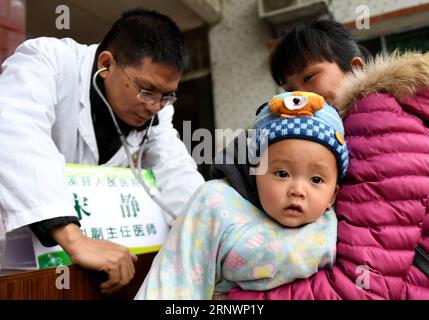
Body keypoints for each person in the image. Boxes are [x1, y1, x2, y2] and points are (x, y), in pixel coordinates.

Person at [0, 8, 204, 293]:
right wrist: (75, 239)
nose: (155, 106)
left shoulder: (156, 112)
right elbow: (14, 128)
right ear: (106, 64)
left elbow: (176, 170)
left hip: (90, 270)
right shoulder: (49, 60)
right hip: (15, 260)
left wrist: (211, 232)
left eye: (167, 95)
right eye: (146, 91)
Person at [228, 19, 429, 299]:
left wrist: (236, 299)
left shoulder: (375, 118)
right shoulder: (350, 129)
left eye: (310, 77)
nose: (300, 94)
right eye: (289, 88)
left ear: (356, 69)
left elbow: (362, 288)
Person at [134, 91, 349, 299]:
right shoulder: (216, 203)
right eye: (282, 173)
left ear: (333, 196)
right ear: (255, 171)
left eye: (316, 180)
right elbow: (173, 278)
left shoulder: (340, 228)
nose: (298, 190)